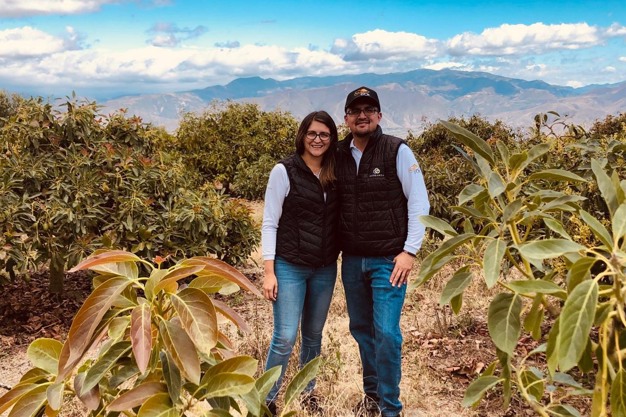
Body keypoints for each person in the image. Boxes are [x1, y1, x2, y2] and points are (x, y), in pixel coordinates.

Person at [336, 86, 430, 417]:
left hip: (388, 261)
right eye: (355, 111)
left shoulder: (397, 150)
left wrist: (410, 251)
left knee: (387, 333)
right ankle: (372, 397)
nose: (362, 116)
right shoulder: (338, 154)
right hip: (352, 261)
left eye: (368, 110)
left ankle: (391, 407)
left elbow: (419, 202)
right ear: (346, 118)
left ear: (379, 115)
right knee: (362, 330)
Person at [261, 110, 340, 416]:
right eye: (312, 133)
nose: (317, 140)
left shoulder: (335, 172)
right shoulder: (284, 171)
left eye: (324, 134)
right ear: (302, 136)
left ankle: (308, 393)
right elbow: (270, 222)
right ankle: (266, 399)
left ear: (331, 138)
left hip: (324, 267)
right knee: (284, 337)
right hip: (290, 266)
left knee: (313, 335)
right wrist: (269, 271)